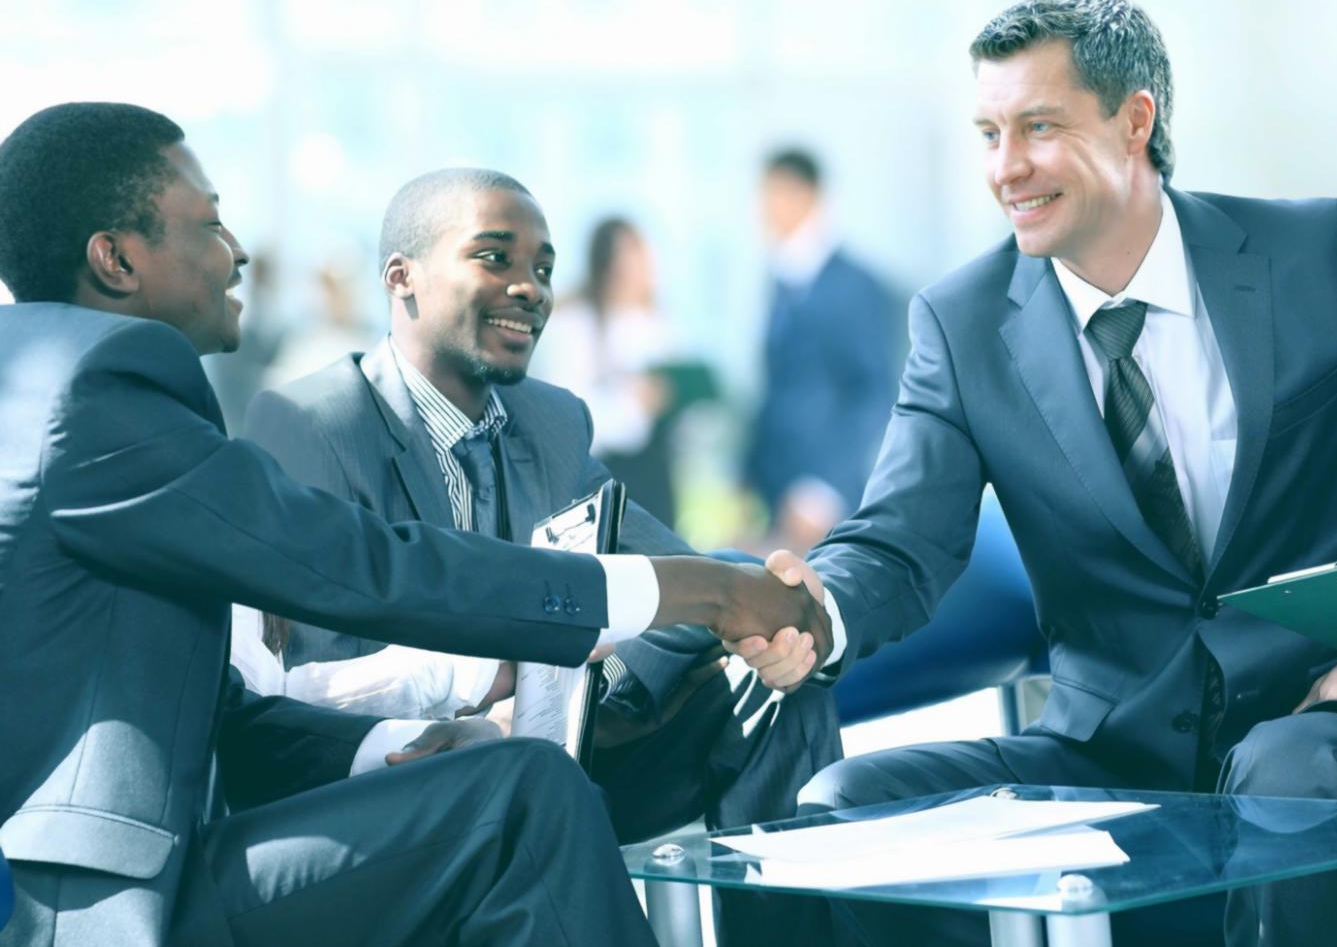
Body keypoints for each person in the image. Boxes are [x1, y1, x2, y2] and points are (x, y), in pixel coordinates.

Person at [0, 102, 827, 947]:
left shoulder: (58, 384)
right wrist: (704, 589)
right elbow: (365, 568)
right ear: (115, 258)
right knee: (523, 797)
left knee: (514, 778)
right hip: (109, 908)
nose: (238, 250)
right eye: (210, 223)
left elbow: (226, 716)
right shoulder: (94, 393)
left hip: (181, 862)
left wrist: (398, 744)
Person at [755, 0, 1337, 947]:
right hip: (1105, 751)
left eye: (1039, 127)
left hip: (1312, 716)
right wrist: (818, 611)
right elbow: (899, 540)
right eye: (989, 134)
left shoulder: (1311, 253)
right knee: (842, 801)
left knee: (1285, 776)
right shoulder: (961, 324)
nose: (1005, 168)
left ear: (1135, 121)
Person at [241, 172, 839, 848]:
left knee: (773, 679)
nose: (530, 288)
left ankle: (789, 906)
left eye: (544, 269)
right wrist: (500, 708)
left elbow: (674, 578)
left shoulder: (551, 420)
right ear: (401, 277)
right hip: (408, 793)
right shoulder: (312, 422)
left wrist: (578, 702)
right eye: (494, 257)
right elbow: (315, 696)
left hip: (555, 757)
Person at [743, 148, 901, 552]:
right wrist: (746, 476)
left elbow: (873, 392)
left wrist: (824, 488)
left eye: (774, 193)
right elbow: (776, 387)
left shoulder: (855, 284)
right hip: (775, 489)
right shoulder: (780, 277)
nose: (765, 207)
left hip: (821, 499)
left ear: (807, 194)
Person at [531, 216, 688, 527]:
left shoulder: (657, 325)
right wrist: (634, 405)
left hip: (654, 480)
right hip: (600, 479)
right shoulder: (575, 324)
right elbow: (569, 414)